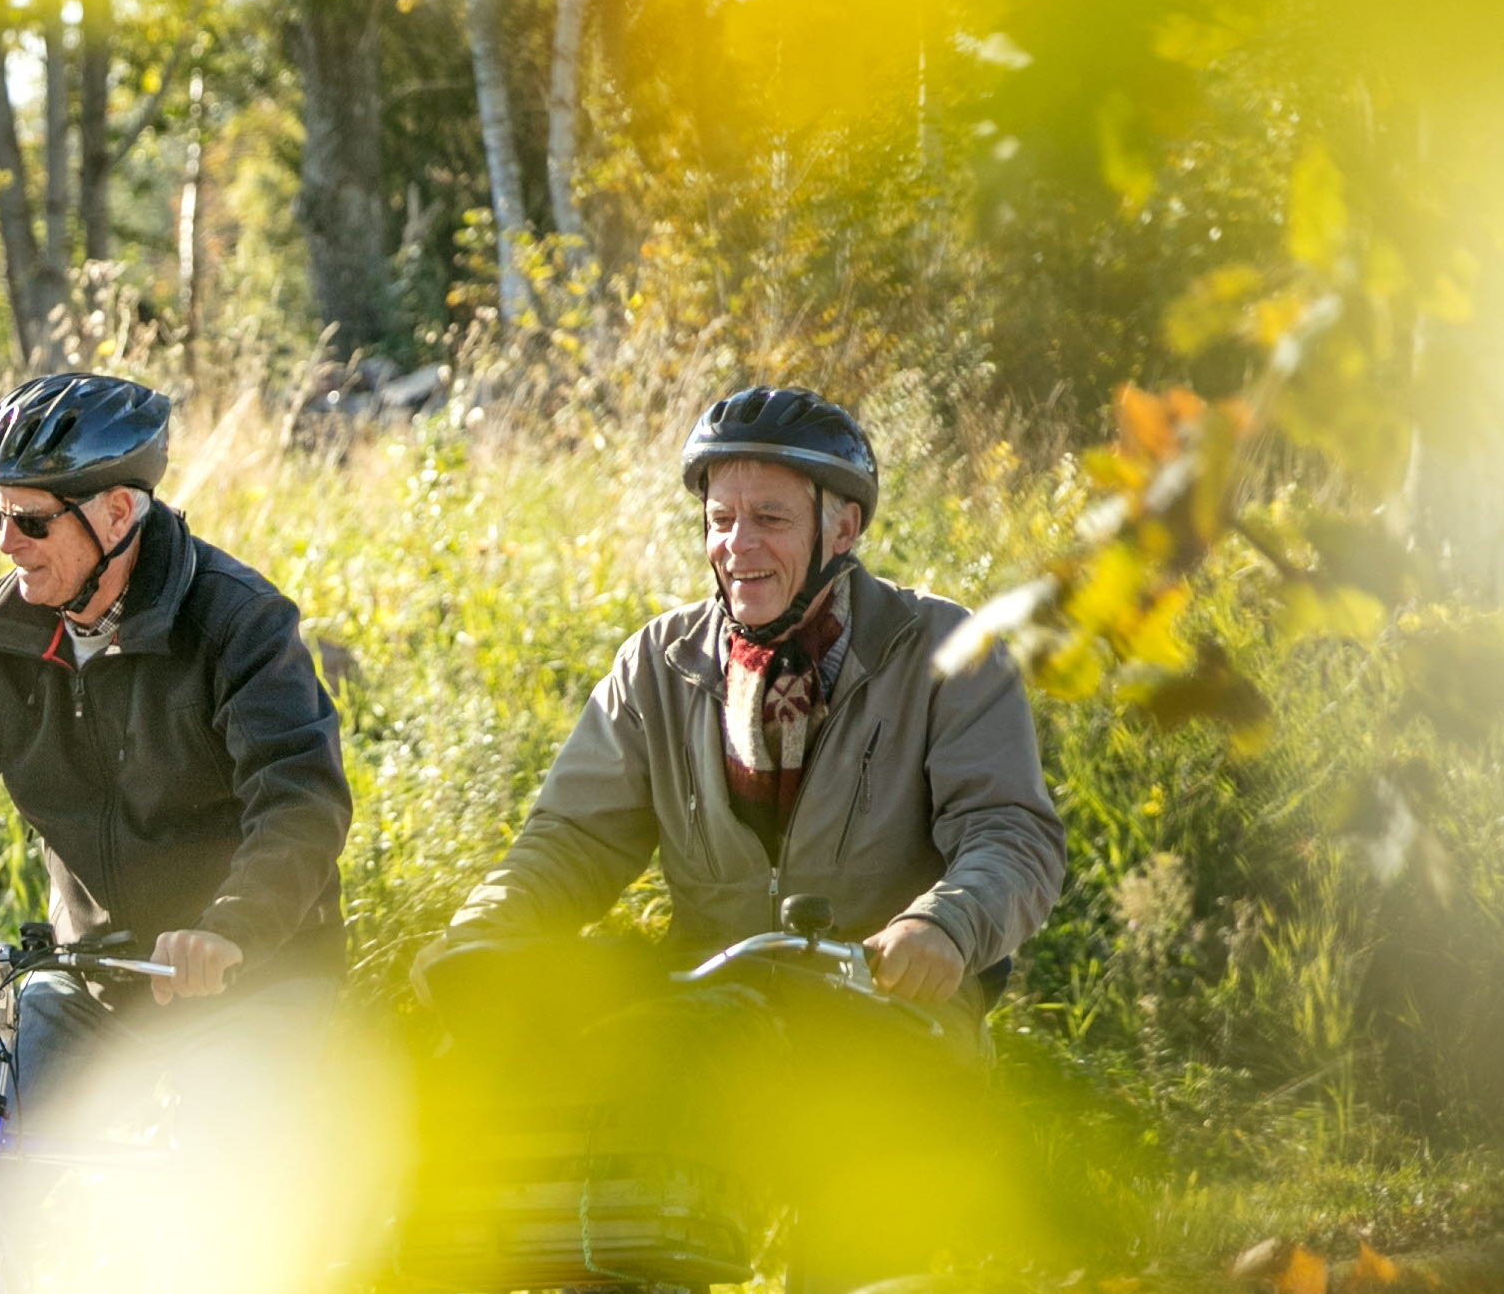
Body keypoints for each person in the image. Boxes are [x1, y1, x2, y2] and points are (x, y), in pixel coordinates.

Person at [0, 368, 354, 1099]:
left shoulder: (237, 625)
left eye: (33, 520)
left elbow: (299, 804)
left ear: (117, 513)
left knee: (216, 1171)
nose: (7, 544)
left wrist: (230, 930)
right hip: (94, 974)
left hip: (251, 973)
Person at [426, 383, 1065, 1011]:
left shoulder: (946, 650)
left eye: (770, 518)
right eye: (721, 520)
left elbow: (1009, 832)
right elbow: (573, 840)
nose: (738, 546)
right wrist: (484, 931)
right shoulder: (659, 663)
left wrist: (944, 925)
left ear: (842, 529)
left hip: (889, 1007)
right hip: (710, 1010)